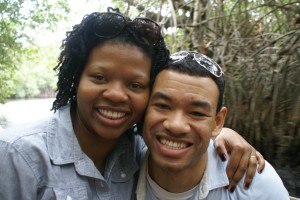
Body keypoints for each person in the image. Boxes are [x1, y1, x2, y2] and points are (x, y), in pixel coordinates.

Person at [0, 8, 263, 199]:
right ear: (76, 80)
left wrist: (223, 135)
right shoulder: (17, 154)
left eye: (135, 85)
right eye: (99, 77)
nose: (116, 94)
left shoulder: (142, 151)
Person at [137, 51, 289, 199]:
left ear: (217, 123)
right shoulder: (121, 161)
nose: (176, 125)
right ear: (144, 109)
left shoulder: (257, 186)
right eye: (163, 106)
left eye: (197, 113)